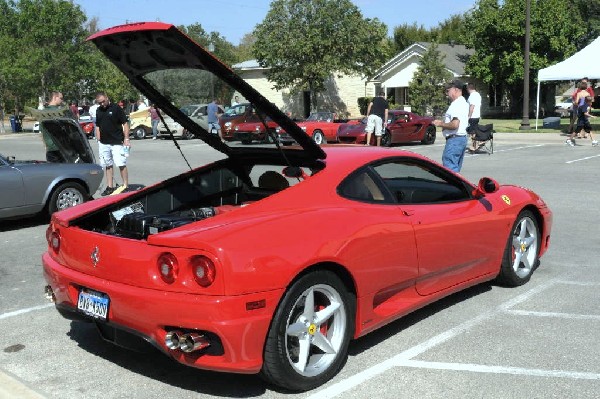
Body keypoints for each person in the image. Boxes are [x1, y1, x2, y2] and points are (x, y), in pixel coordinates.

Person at [95, 92, 130, 195]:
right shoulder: (98, 110)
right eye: (99, 103)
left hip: (117, 142)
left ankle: (125, 185)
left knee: (121, 163)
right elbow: (97, 125)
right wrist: (98, 138)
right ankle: (110, 187)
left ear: (107, 98)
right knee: (108, 165)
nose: (102, 104)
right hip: (104, 143)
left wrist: (127, 139)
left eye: (103, 101)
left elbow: (125, 123)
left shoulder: (116, 108)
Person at [432, 80, 470, 173]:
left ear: (456, 90)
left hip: (454, 139)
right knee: (455, 169)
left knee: (450, 171)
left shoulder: (456, 104)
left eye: (448, 90)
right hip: (461, 138)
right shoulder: (463, 103)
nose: (447, 93)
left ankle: (455, 187)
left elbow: (455, 124)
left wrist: (440, 124)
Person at [41, 91, 66, 162]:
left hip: (50, 149)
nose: (62, 100)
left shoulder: (42, 112)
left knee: (53, 170)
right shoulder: (60, 112)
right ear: (55, 97)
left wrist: (46, 146)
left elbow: (42, 132)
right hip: (61, 148)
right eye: (61, 98)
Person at [466, 83, 482, 151]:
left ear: (469, 88)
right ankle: (475, 145)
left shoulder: (472, 96)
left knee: (472, 132)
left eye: (467, 88)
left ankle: (475, 145)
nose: (466, 90)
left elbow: (472, 106)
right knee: (474, 131)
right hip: (477, 115)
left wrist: (469, 116)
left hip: (472, 116)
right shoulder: (478, 94)